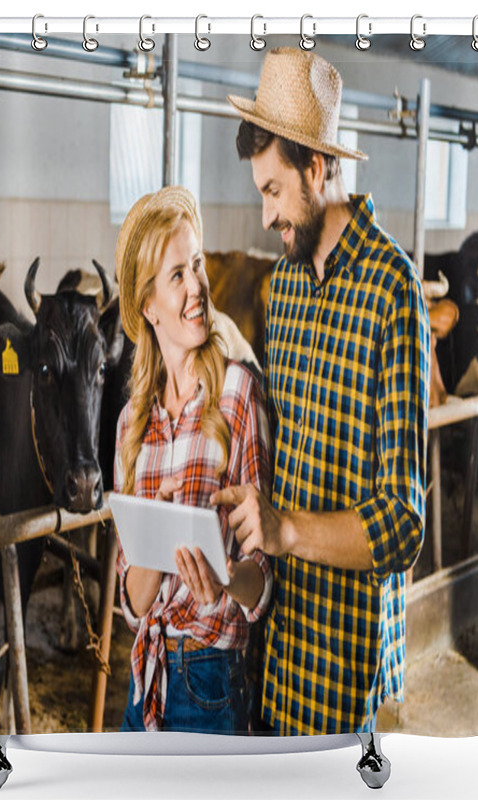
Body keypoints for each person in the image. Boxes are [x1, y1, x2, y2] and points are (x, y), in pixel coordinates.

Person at [213, 47, 430, 735]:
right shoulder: (281, 293)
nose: (268, 215)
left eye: (275, 190)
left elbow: (403, 524)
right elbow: (285, 462)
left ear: (318, 165)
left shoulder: (393, 292)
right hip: (281, 648)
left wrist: (288, 529)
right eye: (261, 195)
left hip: (349, 669)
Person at [113, 185, 273, 734]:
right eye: (176, 275)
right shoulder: (131, 423)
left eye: (197, 265)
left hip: (211, 685)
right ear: (148, 306)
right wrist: (156, 547)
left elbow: (262, 582)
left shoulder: (237, 395)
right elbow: (133, 600)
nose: (198, 286)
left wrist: (225, 577)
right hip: (144, 681)